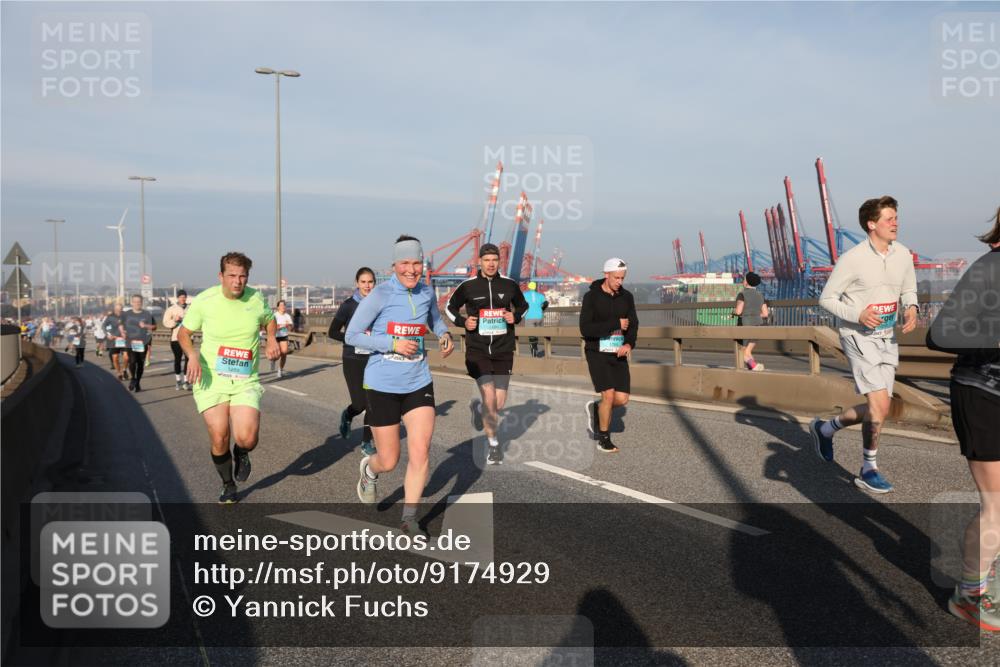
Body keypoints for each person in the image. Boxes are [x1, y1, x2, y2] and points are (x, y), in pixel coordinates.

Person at [345, 235, 454, 535]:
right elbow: (352, 335)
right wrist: (392, 342)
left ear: (423, 265)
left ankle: (409, 519)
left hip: (418, 381)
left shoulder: (427, 294)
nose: (411, 269)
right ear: (394, 265)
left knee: (420, 451)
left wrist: (445, 334)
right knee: (389, 460)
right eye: (405, 262)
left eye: (417, 262)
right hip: (382, 385)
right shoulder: (379, 295)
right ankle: (370, 469)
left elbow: (435, 320)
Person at [810, 196, 918, 493]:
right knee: (880, 404)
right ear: (872, 225)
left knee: (879, 408)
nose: (895, 223)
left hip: (887, 338)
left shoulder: (903, 255)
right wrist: (857, 314)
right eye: (889, 219)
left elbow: (909, 289)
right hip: (858, 337)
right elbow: (826, 299)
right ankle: (868, 468)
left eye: (896, 217)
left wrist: (911, 308)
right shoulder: (853, 259)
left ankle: (825, 428)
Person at [927, 207, 1000, 631]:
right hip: (983, 393)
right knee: (996, 505)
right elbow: (941, 334)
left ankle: (985, 574)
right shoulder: (990, 268)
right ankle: (969, 596)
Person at [178, 252, 279, 504]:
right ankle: (227, 484)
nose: (237, 281)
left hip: (244, 380)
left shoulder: (256, 298)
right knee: (219, 436)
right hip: (211, 380)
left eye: (242, 276)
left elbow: (269, 320)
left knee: (246, 437)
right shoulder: (205, 300)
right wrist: (191, 355)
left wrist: (272, 338)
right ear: (220, 276)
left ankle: (242, 452)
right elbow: (184, 333)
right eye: (232, 276)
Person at [445, 243, 528, 464]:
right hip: (478, 350)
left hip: (503, 349)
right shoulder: (468, 286)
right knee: (490, 397)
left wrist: (515, 316)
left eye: (494, 260)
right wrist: (464, 322)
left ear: (499, 262)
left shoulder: (509, 285)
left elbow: (524, 305)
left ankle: (479, 408)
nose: (491, 264)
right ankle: (493, 446)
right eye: (486, 260)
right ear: (479, 262)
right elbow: (449, 307)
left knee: (498, 405)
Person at [580, 258, 639, 453]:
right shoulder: (591, 297)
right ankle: (603, 438)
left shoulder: (627, 297)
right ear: (606, 274)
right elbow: (585, 328)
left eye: (622, 278)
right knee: (609, 394)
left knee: (621, 399)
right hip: (597, 352)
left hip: (618, 353)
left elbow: (633, 324)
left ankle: (597, 409)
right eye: (616, 278)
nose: (619, 282)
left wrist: (629, 343)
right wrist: (615, 323)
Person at [330, 267, 377, 456]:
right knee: (360, 404)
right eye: (363, 282)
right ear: (357, 284)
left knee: (373, 403)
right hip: (353, 358)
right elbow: (332, 332)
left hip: (374, 358)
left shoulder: (381, 304)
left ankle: (367, 441)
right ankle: (349, 414)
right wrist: (353, 339)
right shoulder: (349, 305)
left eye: (370, 282)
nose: (367, 286)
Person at [733, 271, 769, 371]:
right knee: (747, 352)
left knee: (741, 351)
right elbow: (765, 314)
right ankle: (753, 368)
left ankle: (753, 366)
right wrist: (755, 315)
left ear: (746, 282)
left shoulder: (742, 294)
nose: (743, 281)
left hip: (745, 325)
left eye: (744, 279)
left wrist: (733, 312)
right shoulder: (760, 295)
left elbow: (739, 311)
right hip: (757, 325)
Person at [122, 294, 156, 391]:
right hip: (130, 341)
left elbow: (154, 327)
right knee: (132, 361)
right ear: (132, 302)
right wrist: (122, 332)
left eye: (139, 302)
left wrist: (145, 326)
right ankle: (133, 378)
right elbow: (120, 325)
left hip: (142, 342)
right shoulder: (127, 314)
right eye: (135, 302)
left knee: (140, 364)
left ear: (142, 303)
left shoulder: (147, 314)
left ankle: (137, 382)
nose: (137, 303)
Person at [163, 291, 191, 390]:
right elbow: (165, 323)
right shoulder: (171, 309)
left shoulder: (191, 309)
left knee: (188, 359)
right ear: (177, 298)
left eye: (184, 297)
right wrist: (175, 320)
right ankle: (178, 381)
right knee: (178, 359)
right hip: (176, 338)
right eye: (181, 297)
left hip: (188, 338)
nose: (183, 299)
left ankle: (186, 381)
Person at [523, 280, 549, 357]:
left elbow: (520, 304)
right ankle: (541, 349)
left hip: (529, 317)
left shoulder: (525, 295)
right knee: (538, 334)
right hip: (539, 317)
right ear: (535, 287)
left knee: (531, 336)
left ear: (529, 287)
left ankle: (534, 354)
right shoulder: (540, 295)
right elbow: (546, 303)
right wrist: (542, 310)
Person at [104, 304, 129, 380]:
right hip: (114, 339)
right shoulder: (110, 317)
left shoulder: (126, 315)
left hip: (125, 339)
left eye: (121, 309)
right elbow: (105, 326)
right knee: (115, 358)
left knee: (126, 357)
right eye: (118, 309)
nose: (119, 311)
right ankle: (119, 373)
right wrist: (108, 334)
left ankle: (124, 369)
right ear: (114, 309)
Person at [271, 300, 294, 378]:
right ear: (278, 307)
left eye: (284, 305)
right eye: (281, 305)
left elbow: (291, 327)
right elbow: (272, 327)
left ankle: (280, 370)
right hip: (275, 336)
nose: (283, 307)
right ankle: (273, 360)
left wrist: (288, 326)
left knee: (284, 353)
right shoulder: (274, 315)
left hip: (284, 336)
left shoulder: (287, 316)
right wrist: (281, 326)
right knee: (277, 355)